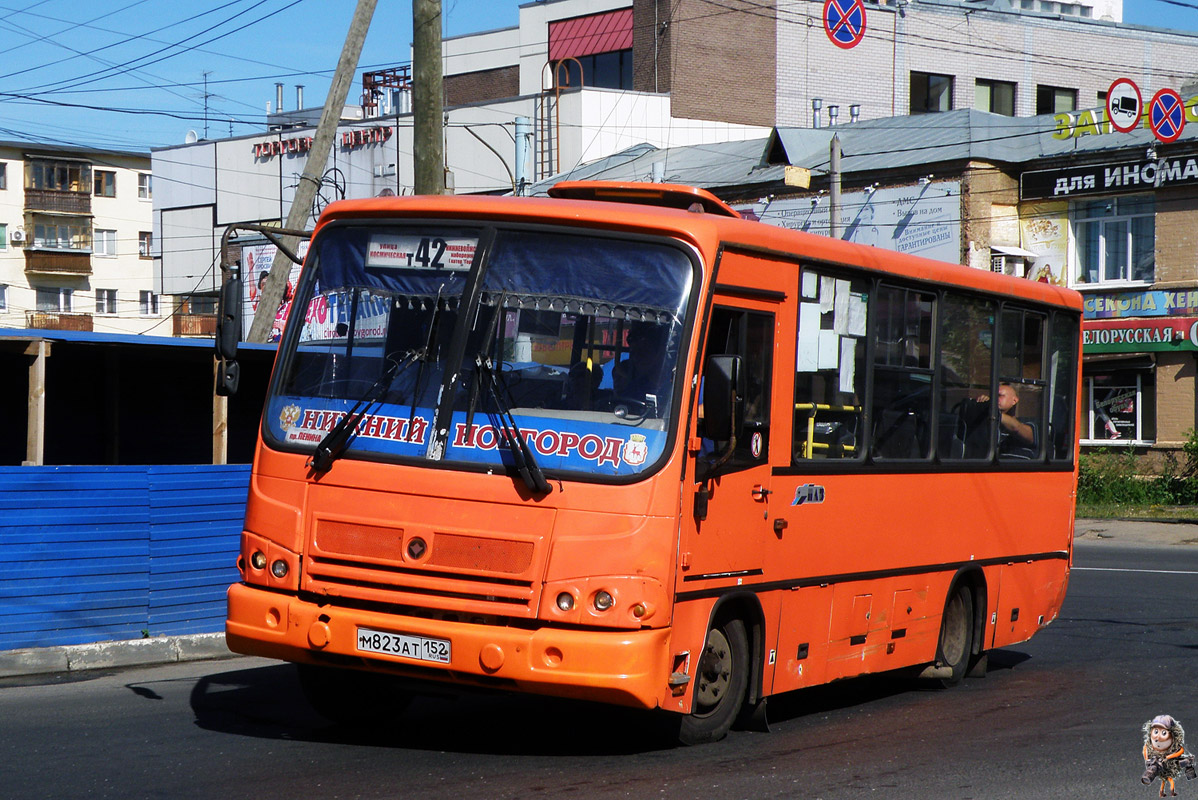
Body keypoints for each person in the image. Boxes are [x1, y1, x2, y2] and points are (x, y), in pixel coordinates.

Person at [977, 383, 1035, 453]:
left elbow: (1018, 429)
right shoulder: (984, 422)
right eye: (992, 396)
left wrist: (993, 412)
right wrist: (979, 407)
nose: (994, 399)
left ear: (1014, 401)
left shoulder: (1027, 423)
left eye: (999, 395)